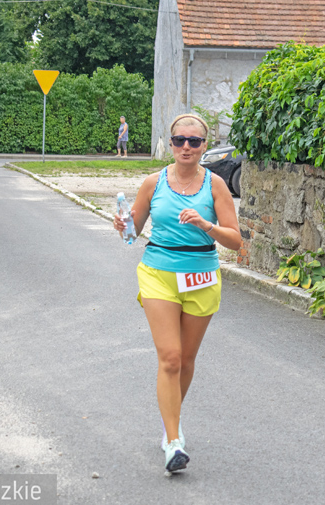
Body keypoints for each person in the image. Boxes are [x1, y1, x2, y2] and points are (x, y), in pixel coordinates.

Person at [113, 114, 242, 473]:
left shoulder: (215, 185)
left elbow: (235, 240)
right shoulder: (153, 183)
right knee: (169, 357)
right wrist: (123, 225)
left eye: (195, 141)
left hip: (201, 274)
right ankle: (173, 442)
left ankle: (171, 419)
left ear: (204, 146)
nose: (186, 147)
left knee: (185, 360)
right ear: (170, 143)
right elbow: (131, 234)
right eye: (179, 140)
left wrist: (206, 224)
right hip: (159, 273)